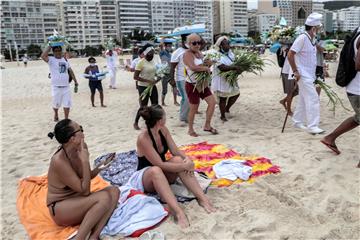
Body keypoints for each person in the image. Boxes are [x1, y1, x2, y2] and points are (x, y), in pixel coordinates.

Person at [126, 105, 215, 228]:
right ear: (160, 120)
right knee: (157, 170)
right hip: (147, 176)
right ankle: (178, 212)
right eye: (164, 116)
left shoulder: (163, 130)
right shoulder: (143, 138)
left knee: (179, 160)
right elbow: (159, 164)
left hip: (163, 171)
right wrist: (186, 167)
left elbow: (175, 151)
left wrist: (187, 160)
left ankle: (202, 199)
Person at [47, 119, 120, 239]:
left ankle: (94, 236)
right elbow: (85, 190)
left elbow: (85, 177)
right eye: (80, 129)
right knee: (104, 198)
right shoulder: (59, 161)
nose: (83, 132)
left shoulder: (81, 147)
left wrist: (101, 166)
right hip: (60, 207)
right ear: (72, 138)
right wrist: (85, 160)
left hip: (77, 199)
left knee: (114, 191)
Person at [321, 27, 360, 158]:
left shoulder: (358, 31)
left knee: (358, 118)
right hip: (357, 89)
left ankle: (330, 138)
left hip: (354, 87)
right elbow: (359, 65)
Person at [287, 12, 325, 134]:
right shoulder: (302, 38)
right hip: (302, 74)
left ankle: (297, 121)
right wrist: (295, 71)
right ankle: (313, 126)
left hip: (309, 74)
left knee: (303, 98)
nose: (319, 30)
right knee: (313, 98)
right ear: (313, 28)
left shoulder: (312, 39)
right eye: (318, 28)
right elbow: (290, 54)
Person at [183, 33, 218, 137]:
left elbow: (203, 64)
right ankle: (190, 129)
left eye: (199, 42)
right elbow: (193, 67)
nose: (197, 45)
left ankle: (207, 125)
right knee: (194, 108)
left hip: (202, 83)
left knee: (212, 102)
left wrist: (210, 63)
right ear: (189, 44)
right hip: (192, 85)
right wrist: (205, 68)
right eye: (194, 43)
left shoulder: (199, 53)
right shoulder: (187, 54)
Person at [41, 45, 79, 122]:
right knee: (56, 104)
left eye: (59, 50)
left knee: (67, 103)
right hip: (56, 86)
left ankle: (66, 119)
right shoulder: (51, 60)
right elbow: (43, 56)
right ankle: (56, 114)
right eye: (56, 51)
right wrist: (50, 46)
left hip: (66, 86)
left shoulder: (64, 60)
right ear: (53, 52)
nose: (58, 52)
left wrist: (75, 81)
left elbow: (70, 71)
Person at [211, 36, 242, 121]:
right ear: (220, 46)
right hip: (221, 79)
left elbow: (235, 62)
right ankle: (222, 116)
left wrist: (239, 69)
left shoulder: (230, 54)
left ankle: (227, 109)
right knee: (223, 98)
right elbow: (222, 67)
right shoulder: (215, 54)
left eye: (228, 44)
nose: (228, 46)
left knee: (236, 94)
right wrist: (234, 68)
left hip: (230, 79)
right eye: (225, 44)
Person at [133, 44, 159, 130]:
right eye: (150, 53)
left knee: (155, 105)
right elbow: (135, 77)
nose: (152, 54)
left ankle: (152, 122)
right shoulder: (141, 62)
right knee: (143, 106)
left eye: (153, 52)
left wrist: (158, 77)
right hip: (143, 87)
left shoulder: (153, 61)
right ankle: (136, 122)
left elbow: (155, 73)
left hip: (152, 86)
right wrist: (148, 81)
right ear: (146, 53)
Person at [170, 34, 190, 123]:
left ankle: (186, 116)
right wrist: (172, 79)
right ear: (183, 41)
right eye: (188, 40)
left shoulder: (192, 50)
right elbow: (172, 67)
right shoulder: (177, 52)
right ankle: (182, 118)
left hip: (191, 78)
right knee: (186, 98)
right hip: (181, 78)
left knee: (190, 99)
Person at [279, 45, 297, 116]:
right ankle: (289, 110)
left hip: (295, 70)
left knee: (296, 90)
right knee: (290, 92)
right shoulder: (284, 47)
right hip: (287, 71)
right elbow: (286, 52)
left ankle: (284, 101)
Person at [159, 42, 179, 106]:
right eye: (168, 46)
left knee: (174, 86)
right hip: (164, 73)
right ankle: (162, 102)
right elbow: (160, 47)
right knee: (164, 90)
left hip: (170, 73)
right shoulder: (162, 53)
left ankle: (175, 101)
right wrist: (162, 41)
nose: (170, 47)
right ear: (165, 46)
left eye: (170, 46)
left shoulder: (170, 54)